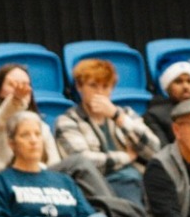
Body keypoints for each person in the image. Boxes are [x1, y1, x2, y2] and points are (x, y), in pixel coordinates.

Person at [54, 58, 160, 206]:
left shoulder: (125, 114)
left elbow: (154, 149)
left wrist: (118, 117)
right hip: (98, 187)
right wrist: (125, 157)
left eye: (105, 87)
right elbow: (83, 162)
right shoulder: (68, 121)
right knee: (127, 179)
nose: (100, 92)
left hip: (138, 182)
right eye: (93, 86)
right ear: (79, 87)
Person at [0, 64, 60, 176]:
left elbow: (54, 165)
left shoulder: (43, 127)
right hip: (3, 186)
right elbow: (1, 119)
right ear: (0, 90)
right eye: (12, 85)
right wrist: (15, 101)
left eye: (25, 85)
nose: (20, 89)